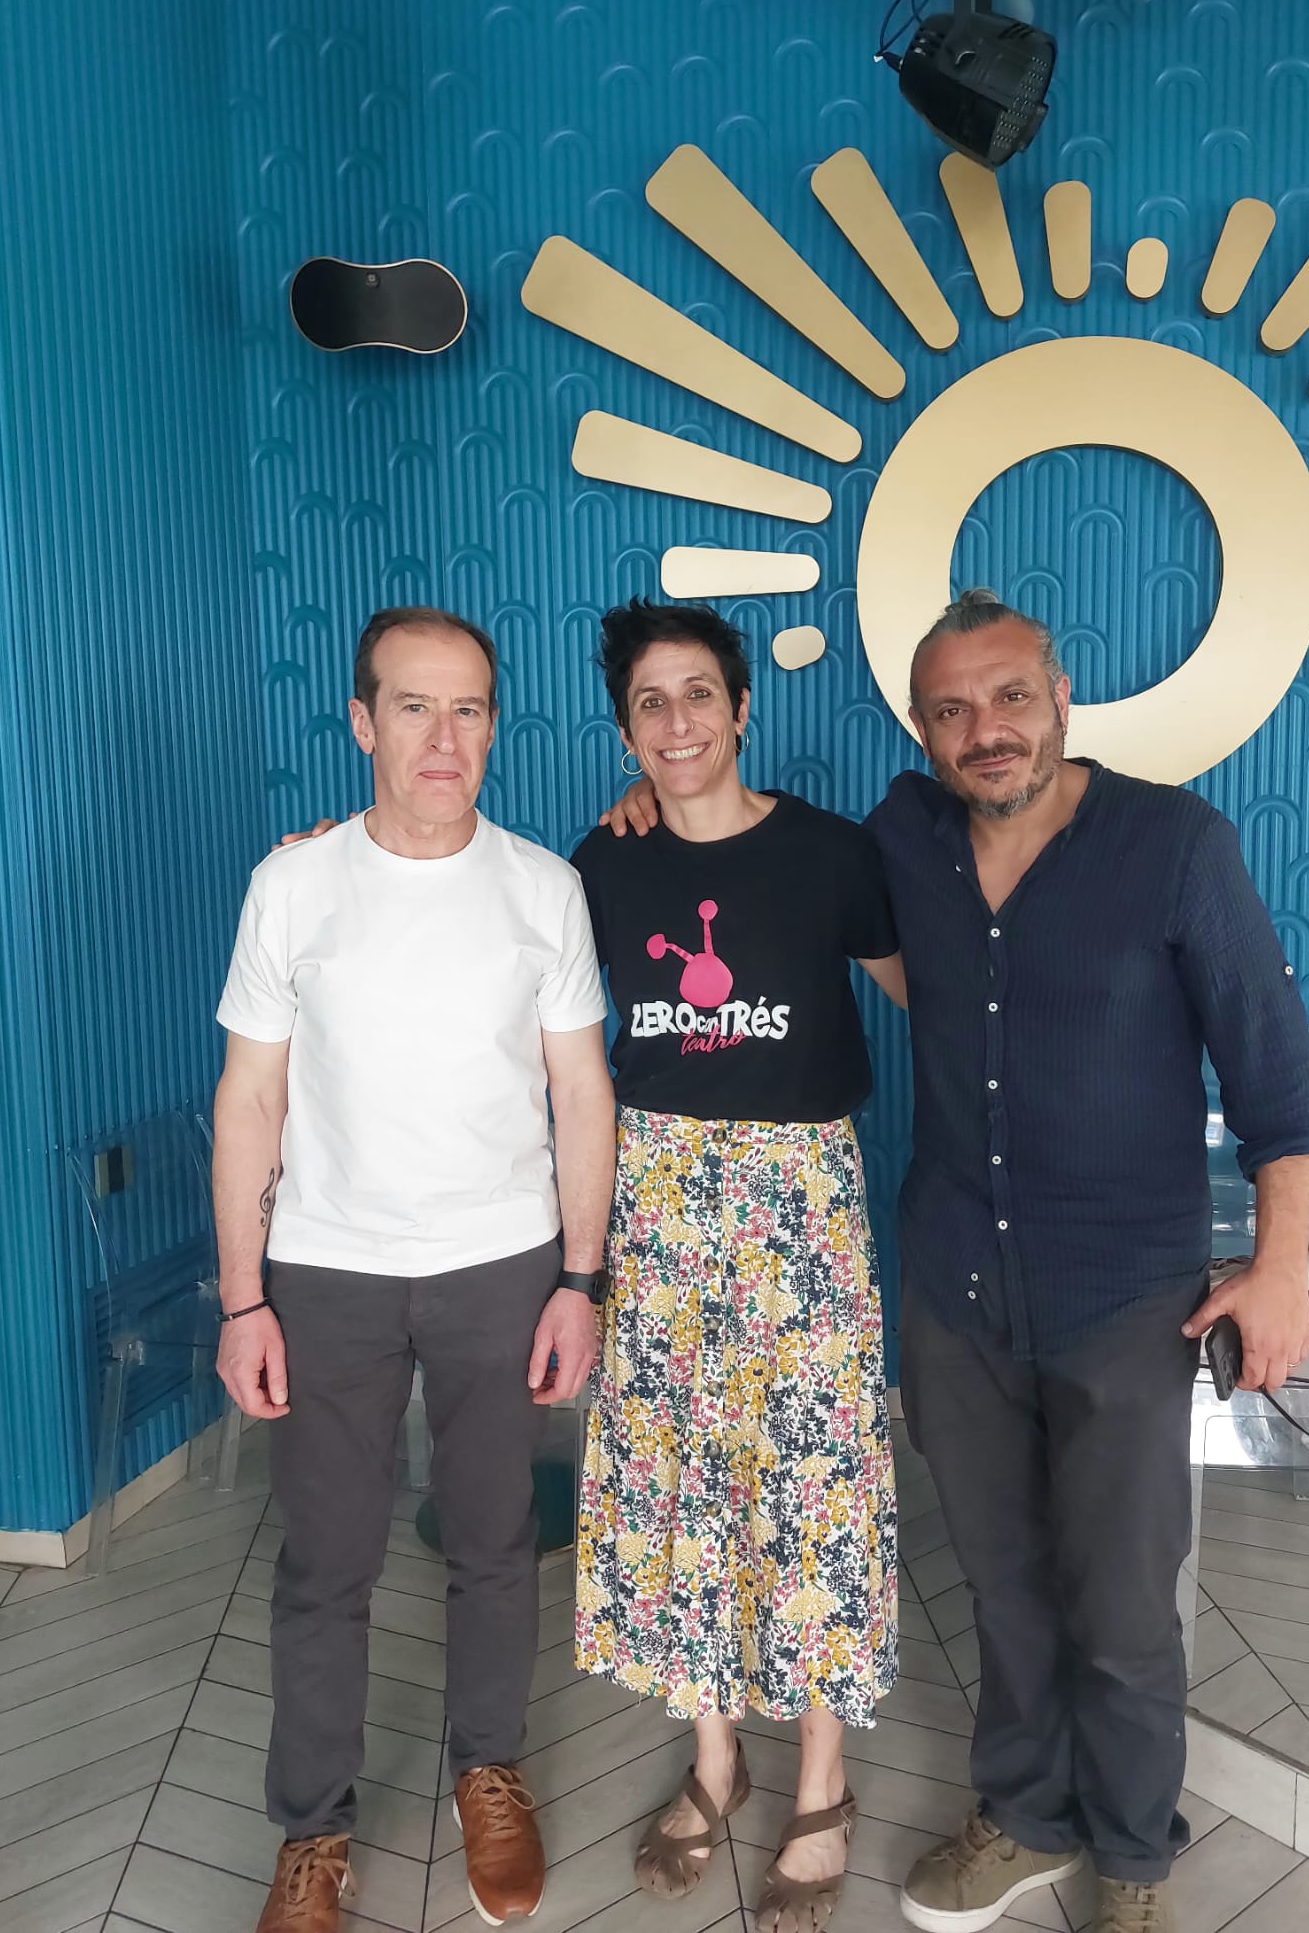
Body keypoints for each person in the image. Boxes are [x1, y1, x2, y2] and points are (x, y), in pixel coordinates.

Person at [604, 588, 1309, 1933]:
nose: (985, 729)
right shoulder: (906, 837)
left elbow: (1277, 1083)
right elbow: (737, 854)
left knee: (1122, 1603)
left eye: (1009, 697)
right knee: (999, 1580)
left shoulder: (1174, 845)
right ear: (923, 729)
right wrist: (654, 798)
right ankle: (1027, 1815)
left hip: (1125, 1293)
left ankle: (1134, 1863)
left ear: (1060, 697)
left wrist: (1279, 1262)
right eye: (951, 710)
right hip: (957, 1285)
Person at [213, 605, 615, 1933]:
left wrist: (579, 1281)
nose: (445, 738)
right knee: (325, 1563)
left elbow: (582, 1092)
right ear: (362, 722)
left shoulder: (542, 889)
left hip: (502, 1267)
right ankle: (313, 1832)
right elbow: (250, 1100)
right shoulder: (292, 886)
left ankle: (487, 1771)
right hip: (326, 1272)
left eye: (470, 710)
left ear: (495, 726)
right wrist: (243, 1299)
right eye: (414, 707)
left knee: (495, 1542)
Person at [570, 599, 904, 1933]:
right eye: (649, 703)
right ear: (625, 730)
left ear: (743, 706)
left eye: (699, 693)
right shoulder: (602, 864)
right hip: (659, 1195)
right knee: (680, 1477)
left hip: (804, 1198)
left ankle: (824, 1778)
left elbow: (939, 989)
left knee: (815, 1476)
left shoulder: (832, 854)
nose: (678, 722)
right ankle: (716, 1761)